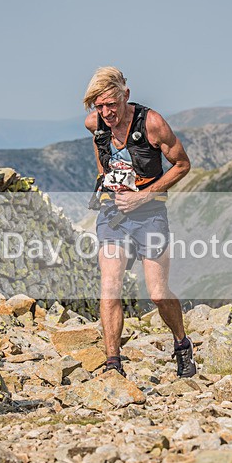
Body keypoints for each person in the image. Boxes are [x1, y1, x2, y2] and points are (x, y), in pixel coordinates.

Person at [83, 66, 196, 378]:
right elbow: (99, 144)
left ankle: (182, 344)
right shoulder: (94, 123)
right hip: (112, 214)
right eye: (99, 105)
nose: (105, 112)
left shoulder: (153, 123)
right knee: (110, 288)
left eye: (112, 104)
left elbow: (182, 164)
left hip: (149, 214)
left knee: (158, 292)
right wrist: (104, 178)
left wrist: (143, 195)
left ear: (126, 96)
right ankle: (113, 365)